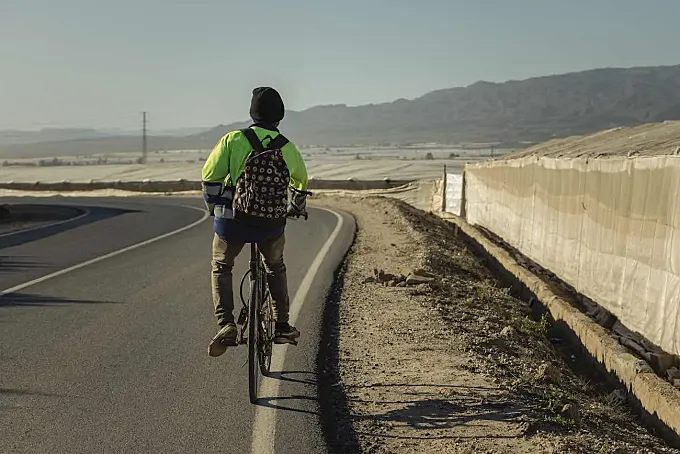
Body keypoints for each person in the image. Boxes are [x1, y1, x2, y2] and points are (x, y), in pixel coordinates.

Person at [201, 86, 309, 358]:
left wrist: (214, 207)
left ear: (252, 113)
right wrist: (295, 208)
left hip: (232, 223)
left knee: (221, 266)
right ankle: (282, 325)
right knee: (275, 266)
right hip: (270, 224)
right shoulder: (286, 147)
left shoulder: (232, 140)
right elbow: (300, 184)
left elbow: (210, 178)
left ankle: (226, 324)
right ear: (279, 117)